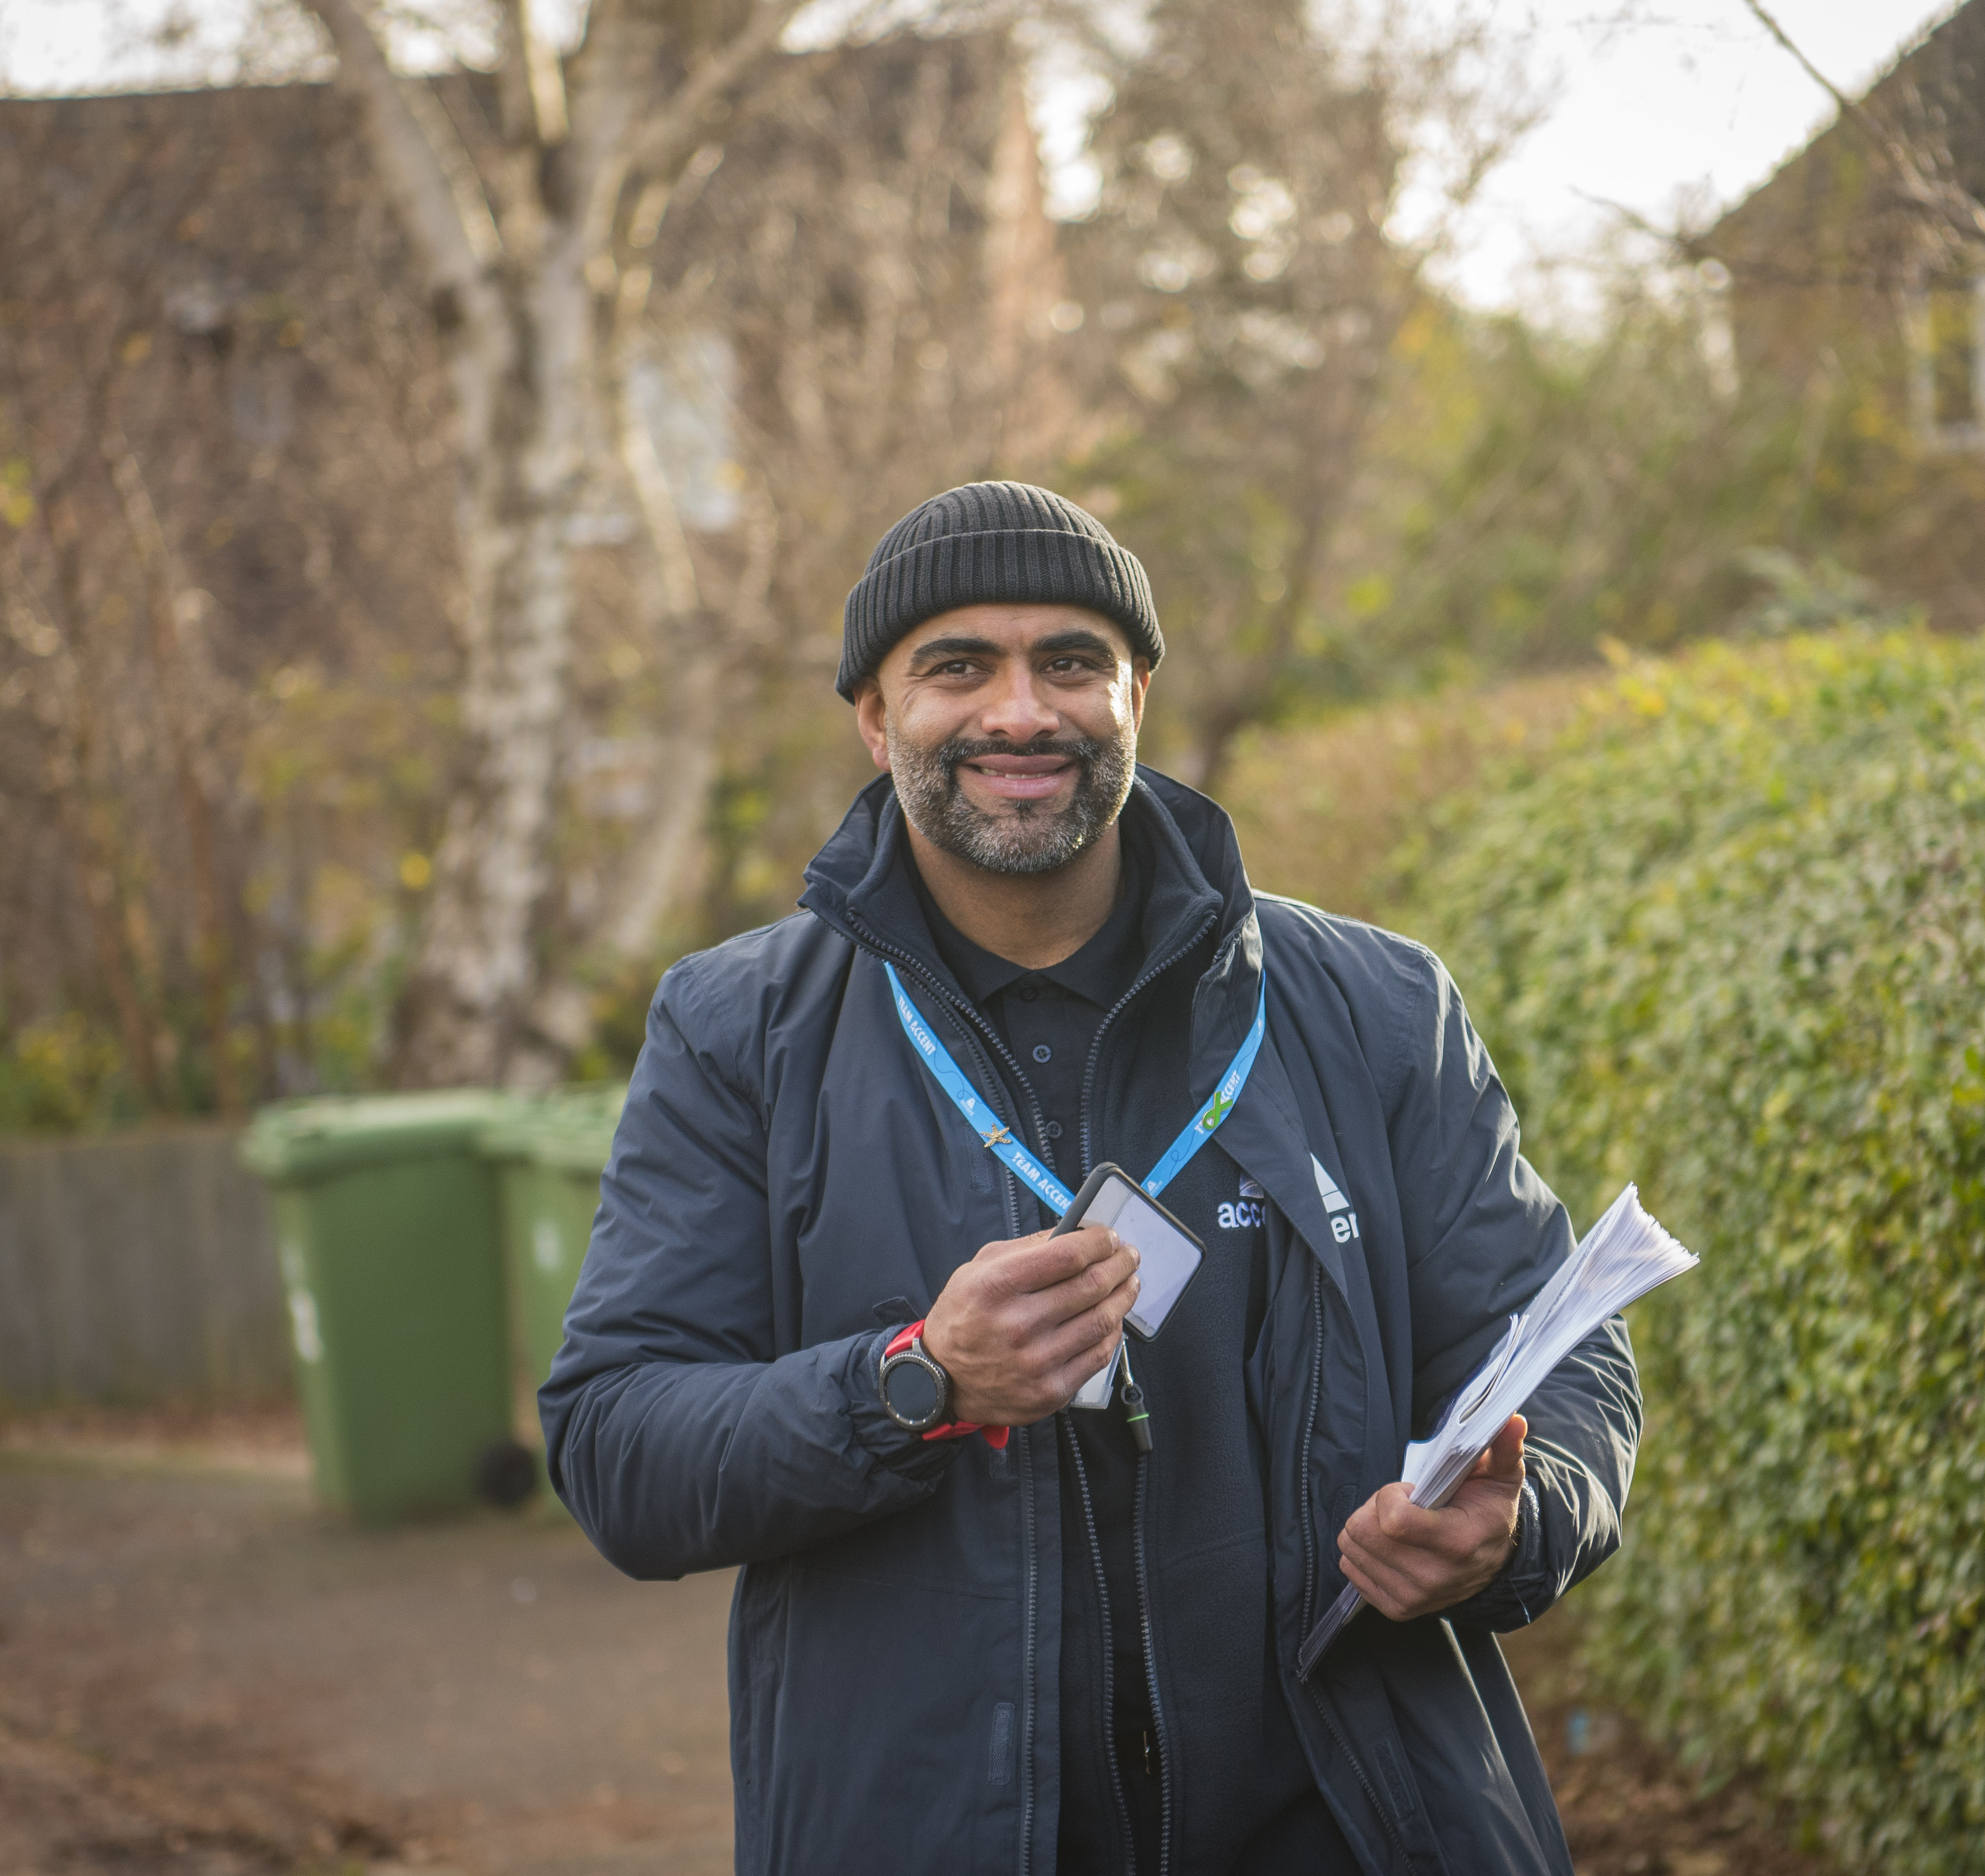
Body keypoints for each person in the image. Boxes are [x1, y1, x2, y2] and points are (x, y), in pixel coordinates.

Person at [540, 481, 1641, 1875]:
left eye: (1071, 661)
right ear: (877, 722)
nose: (1019, 713)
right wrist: (913, 1383)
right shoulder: (740, 1031)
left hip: (1355, 1829)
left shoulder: (1372, 1005)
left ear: (1134, 699)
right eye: (957, 667)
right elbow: (618, 1445)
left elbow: (1562, 1350)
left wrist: (1517, 1522)